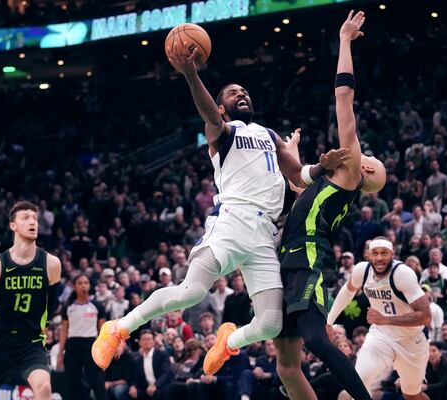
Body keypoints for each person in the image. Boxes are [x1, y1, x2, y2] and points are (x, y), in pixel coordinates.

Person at [91, 25, 348, 372]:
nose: (240, 94)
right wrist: (191, 74)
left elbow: (297, 174)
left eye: (243, 90)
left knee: (270, 323)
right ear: (223, 108)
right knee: (190, 293)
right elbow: (209, 114)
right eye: (231, 93)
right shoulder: (223, 132)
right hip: (231, 221)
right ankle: (119, 328)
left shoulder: (269, 134)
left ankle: (228, 341)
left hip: (264, 233)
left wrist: (321, 167)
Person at [274, 11, 386, 400]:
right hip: (287, 257)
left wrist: (344, 42)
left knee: (316, 342)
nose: (362, 152)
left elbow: (344, 97)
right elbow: (298, 187)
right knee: (286, 366)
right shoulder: (334, 181)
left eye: (367, 155)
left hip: (304, 256)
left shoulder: (352, 169)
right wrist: (295, 157)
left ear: (366, 166)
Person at [328, 237, 431, 400]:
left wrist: (386, 319)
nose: (379, 258)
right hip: (381, 336)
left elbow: (425, 316)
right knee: (356, 383)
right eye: (375, 253)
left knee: (411, 395)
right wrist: (329, 321)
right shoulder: (362, 271)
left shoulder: (402, 274)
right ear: (369, 255)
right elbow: (348, 290)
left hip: (411, 340)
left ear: (392, 254)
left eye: (384, 253)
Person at [0, 201, 62, 400]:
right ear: (13, 226)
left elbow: (52, 304)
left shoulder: (51, 264)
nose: (33, 222)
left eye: (35, 218)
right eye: (25, 218)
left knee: (44, 388)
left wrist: (44, 325)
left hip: (29, 342)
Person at [58, 274, 108, 399]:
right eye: (80, 283)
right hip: (72, 347)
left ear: (89, 286)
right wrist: (60, 353)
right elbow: (64, 331)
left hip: (91, 346)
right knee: (72, 384)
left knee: (98, 383)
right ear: (74, 286)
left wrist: (104, 351)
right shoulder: (68, 307)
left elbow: (103, 331)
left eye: (86, 282)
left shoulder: (98, 306)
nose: (83, 285)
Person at [130, 330, 174, 400]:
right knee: (133, 393)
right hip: (147, 387)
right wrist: (133, 386)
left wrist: (155, 385)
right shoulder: (138, 360)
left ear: (154, 342)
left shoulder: (162, 355)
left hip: (162, 385)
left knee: (158, 393)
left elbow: (166, 373)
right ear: (140, 342)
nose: (146, 341)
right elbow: (136, 377)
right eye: (144, 339)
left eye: (149, 339)